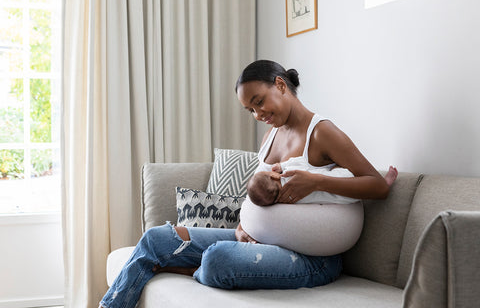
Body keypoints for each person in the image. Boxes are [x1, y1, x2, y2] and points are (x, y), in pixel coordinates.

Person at [99, 60, 397, 308]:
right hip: (257, 242)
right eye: (251, 110)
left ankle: (186, 267)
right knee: (155, 239)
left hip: (312, 260)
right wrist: (244, 228)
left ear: (280, 85)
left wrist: (315, 180)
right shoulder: (270, 138)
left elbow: (377, 186)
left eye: (259, 102)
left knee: (218, 259)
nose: (258, 115)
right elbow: (258, 198)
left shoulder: (322, 133)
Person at [246, 159, 359, 206]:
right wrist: (282, 165)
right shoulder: (290, 173)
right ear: (273, 175)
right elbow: (303, 160)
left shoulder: (288, 202)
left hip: (344, 201)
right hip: (347, 182)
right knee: (333, 166)